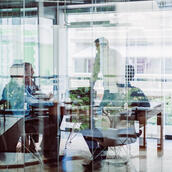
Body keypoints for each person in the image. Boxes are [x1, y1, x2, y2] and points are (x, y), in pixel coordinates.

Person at [1, 63, 58, 158]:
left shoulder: (9, 86)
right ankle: (47, 153)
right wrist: (53, 102)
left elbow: (31, 99)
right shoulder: (17, 87)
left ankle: (39, 149)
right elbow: (32, 101)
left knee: (52, 119)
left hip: (17, 120)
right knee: (54, 122)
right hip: (21, 121)